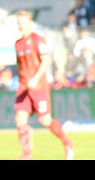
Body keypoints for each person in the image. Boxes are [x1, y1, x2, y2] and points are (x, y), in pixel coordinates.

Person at [14, 11, 74, 160]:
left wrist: (35, 78)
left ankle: (67, 142)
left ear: (30, 24)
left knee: (45, 120)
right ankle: (27, 154)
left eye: (23, 22)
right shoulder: (18, 43)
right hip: (24, 86)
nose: (21, 25)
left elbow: (46, 60)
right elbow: (19, 65)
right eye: (19, 22)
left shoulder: (37, 40)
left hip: (38, 86)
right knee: (20, 117)